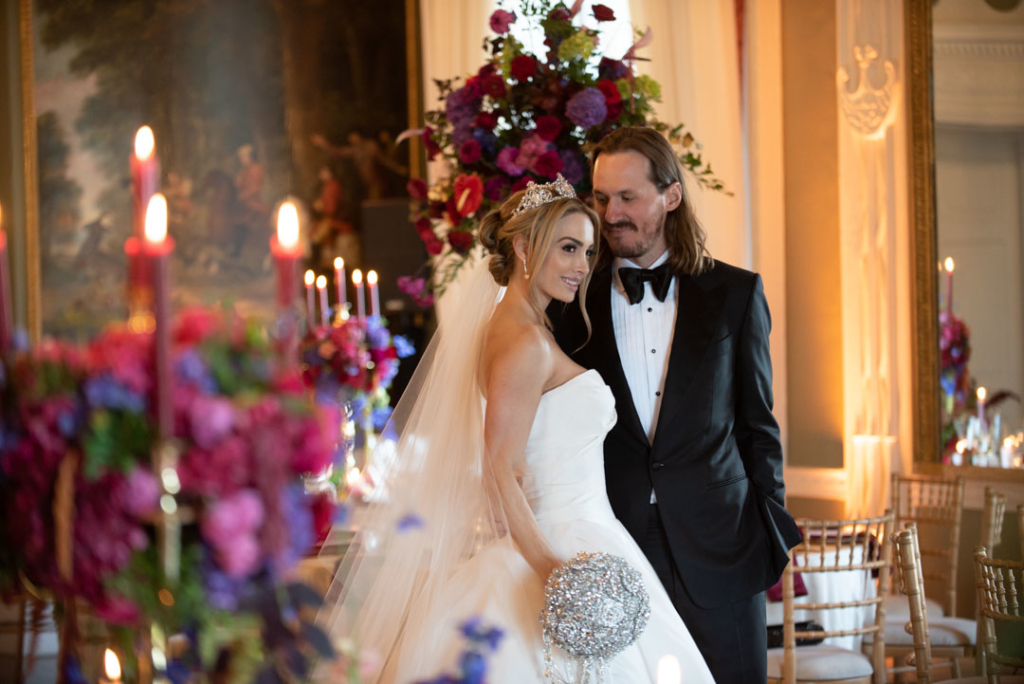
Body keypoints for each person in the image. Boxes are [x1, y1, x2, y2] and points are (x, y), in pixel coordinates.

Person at [320, 176, 715, 683]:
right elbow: (499, 468)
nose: (581, 266)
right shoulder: (524, 342)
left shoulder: (523, 329)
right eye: (568, 248)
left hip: (584, 536)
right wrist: (554, 571)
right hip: (557, 546)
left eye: (589, 252)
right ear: (525, 246)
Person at [550, 126, 802, 684]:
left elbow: (759, 426)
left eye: (628, 198)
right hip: (616, 549)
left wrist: (769, 534)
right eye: (601, 198)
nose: (610, 214)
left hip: (725, 548)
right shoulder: (568, 304)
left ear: (671, 195)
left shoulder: (735, 294)